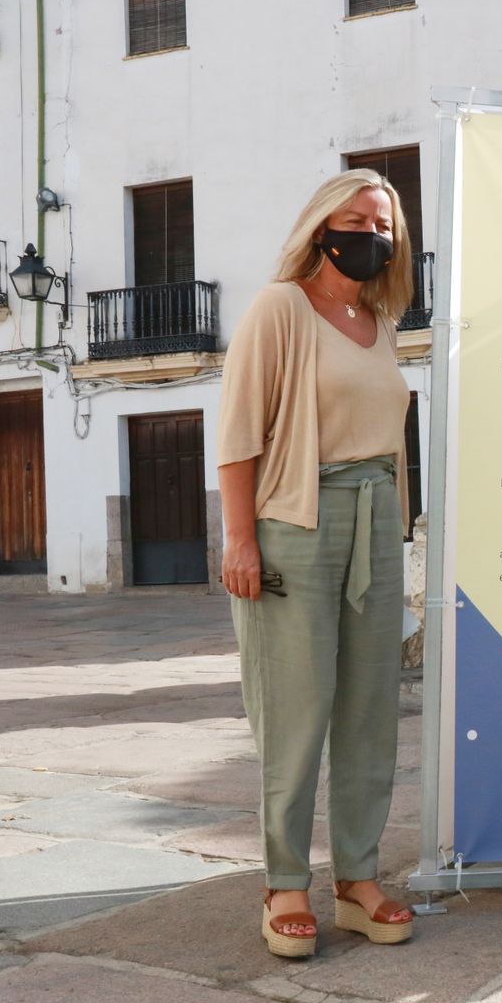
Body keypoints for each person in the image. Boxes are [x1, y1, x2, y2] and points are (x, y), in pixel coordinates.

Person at [217, 169, 417, 958]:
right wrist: (239, 538)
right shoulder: (280, 308)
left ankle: (359, 880)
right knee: (295, 711)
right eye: (361, 217)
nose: (375, 232)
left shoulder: (381, 319)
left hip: (375, 523)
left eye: (388, 224)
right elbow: (238, 433)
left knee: (371, 710)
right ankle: (285, 884)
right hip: (296, 519)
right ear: (322, 224)